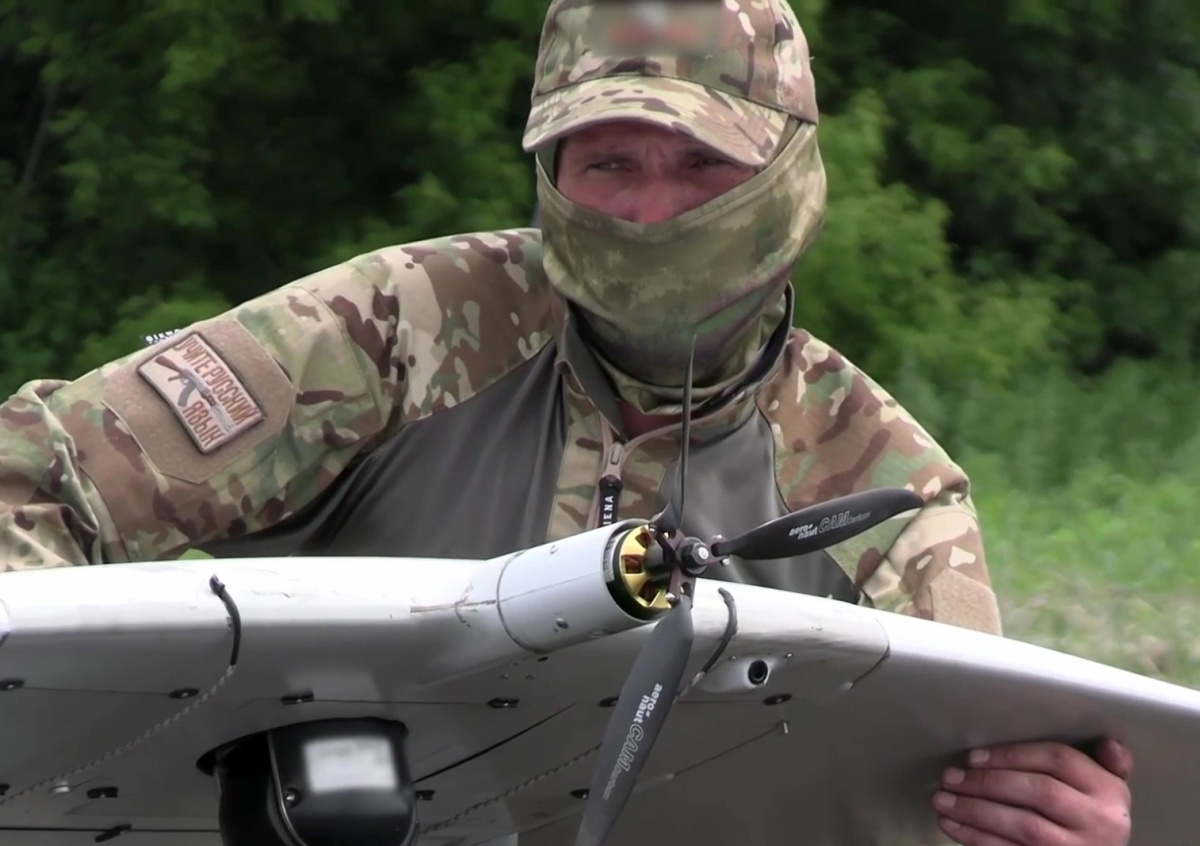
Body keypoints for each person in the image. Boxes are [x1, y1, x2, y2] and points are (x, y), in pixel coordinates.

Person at [0, 0, 1133, 842]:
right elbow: (33, 472)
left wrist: (1050, 819)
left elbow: (970, 778)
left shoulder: (885, 490)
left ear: (790, 173)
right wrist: (67, 756)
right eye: (610, 162)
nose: (650, 210)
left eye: (703, 163)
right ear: (549, 168)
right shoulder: (401, 329)